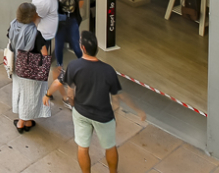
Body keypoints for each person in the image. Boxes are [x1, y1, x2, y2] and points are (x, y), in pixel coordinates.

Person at [44, 31, 144, 173]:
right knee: (110, 146)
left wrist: (53, 97)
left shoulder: (74, 66)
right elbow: (119, 95)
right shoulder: (108, 70)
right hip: (103, 116)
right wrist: (137, 110)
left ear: (83, 48)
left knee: (83, 148)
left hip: (81, 113)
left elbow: (64, 87)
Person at [8, 2, 51, 132]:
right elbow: (44, 53)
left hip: (16, 66)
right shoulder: (35, 34)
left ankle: (24, 120)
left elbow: (10, 41)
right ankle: (23, 122)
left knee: (20, 92)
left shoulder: (13, 26)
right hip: (30, 69)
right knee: (30, 96)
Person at [54, 0, 86, 65]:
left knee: (76, 44)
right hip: (60, 20)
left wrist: (74, 10)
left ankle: (83, 64)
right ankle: (59, 66)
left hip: (72, 19)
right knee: (59, 45)